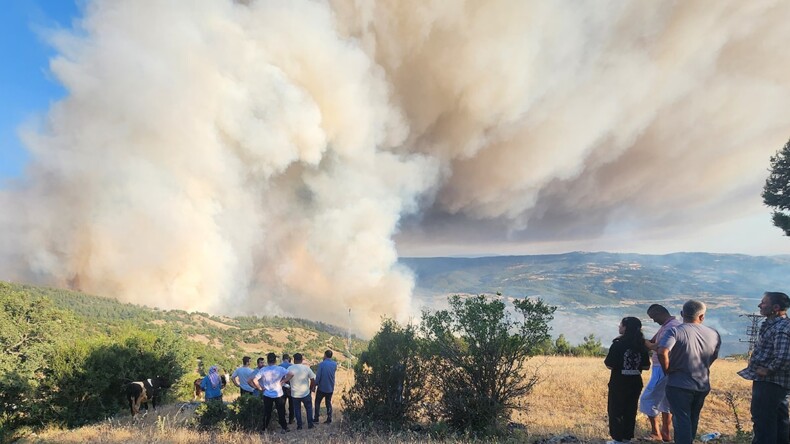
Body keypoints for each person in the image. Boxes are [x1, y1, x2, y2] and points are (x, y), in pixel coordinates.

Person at [657, 300, 721, 444]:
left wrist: (667, 369)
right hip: (702, 383)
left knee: (681, 419)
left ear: (682, 314)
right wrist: (704, 366)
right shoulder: (714, 333)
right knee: (693, 418)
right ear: (702, 316)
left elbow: (662, 351)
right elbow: (714, 355)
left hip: (679, 384)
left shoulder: (675, 331)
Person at [737, 291, 790, 444]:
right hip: (774, 384)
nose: (760, 305)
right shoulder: (774, 325)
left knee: (764, 422)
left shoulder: (781, 327)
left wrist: (768, 370)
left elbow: (784, 356)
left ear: (776, 307)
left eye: (764, 303)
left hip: (770, 383)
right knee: (780, 423)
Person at [605, 317, 650, 444]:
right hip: (635, 382)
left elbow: (610, 365)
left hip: (619, 382)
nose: (619, 327)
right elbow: (646, 366)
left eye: (621, 325)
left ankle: (617, 439)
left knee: (616, 410)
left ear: (625, 328)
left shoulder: (618, 344)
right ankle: (626, 438)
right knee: (630, 409)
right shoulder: (641, 345)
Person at [639, 304, 681, 442]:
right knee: (665, 401)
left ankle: (656, 431)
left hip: (663, 366)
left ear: (659, 313)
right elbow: (653, 341)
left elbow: (656, 346)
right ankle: (665, 433)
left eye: (654, 317)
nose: (653, 320)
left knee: (648, 398)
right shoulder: (667, 326)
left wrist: (645, 343)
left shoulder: (671, 326)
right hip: (664, 367)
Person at [251, 353, 292, 434]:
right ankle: (284, 427)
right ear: (275, 360)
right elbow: (291, 374)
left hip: (267, 394)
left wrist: (260, 388)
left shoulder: (263, 370)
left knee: (267, 412)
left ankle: (264, 428)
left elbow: (255, 380)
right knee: (281, 411)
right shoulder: (280, 369)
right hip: (278, 393)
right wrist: (284, 381)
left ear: (267, 360)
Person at [287, 352, 317, 430]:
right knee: (309, 408)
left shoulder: (290, 368)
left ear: (294, 360)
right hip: (305, 392)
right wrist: (311, 388)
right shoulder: (306, 368)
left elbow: (286, 379)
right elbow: (313, 379)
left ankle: (299, 425)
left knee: (297, 409)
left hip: (294, 393)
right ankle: (310, 424)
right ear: (301, 360)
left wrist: (289, 388)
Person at [314, 349, 337, 424]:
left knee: (317, 402)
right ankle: (329, 418)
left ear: (325, 355)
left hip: (321, 387)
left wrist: (315, 384)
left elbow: (318, 376)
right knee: (328, 403)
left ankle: (316, 418)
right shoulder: (334, 364)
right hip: (330, 387)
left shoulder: (322, 364)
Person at [280, 353, 295, 424]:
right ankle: (291, 419)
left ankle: (282, 419)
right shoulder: (292, 366)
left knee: (282, 404)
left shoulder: (279, 366)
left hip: (282, 387)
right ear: (288, 359)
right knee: (291, 404)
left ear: (282, 359)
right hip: (290, 387)